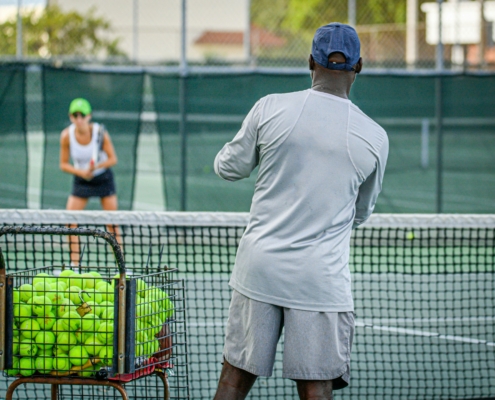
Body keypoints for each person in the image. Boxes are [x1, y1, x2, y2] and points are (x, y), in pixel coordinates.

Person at [212, 23, 388, 400]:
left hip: (259, 268)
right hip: (320, 280)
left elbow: (229, 167)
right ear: (359, 67)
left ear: (310, 61)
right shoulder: (374, 137)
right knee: (315, 388)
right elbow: (361, 212)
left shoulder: (269, 108)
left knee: (234, 378)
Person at [59, 98, 119, 265]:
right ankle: (74, 265)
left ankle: (121, 267)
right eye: (75, 115)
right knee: (70, 221)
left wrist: (96, 166)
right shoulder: (66, 136)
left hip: (103, 178)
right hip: (81, 180)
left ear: (89, 116)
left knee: (112, 223)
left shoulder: (101, 133)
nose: (79, 119)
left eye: (82, 115)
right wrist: (81, 172)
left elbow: (113, 159)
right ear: (71, 117)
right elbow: (63, 164)